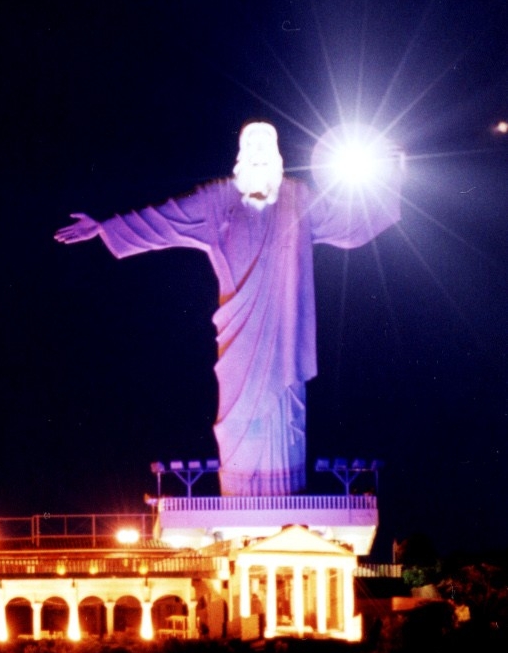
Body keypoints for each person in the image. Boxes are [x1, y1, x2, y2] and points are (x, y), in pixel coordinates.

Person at [54, 121, 403, 495]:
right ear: (240, 155)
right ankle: (239, 495)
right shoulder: (215, 201)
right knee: (236, 417)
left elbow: (351, 221)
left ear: (276, 156)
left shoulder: (300, 199)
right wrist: (106, 227)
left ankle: (286, 495)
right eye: (249, 144)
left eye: (264, 145)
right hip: (239, 339)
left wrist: (392, 184)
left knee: (285, 412)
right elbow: (163, 220)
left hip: (284, 340)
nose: (257, 152)